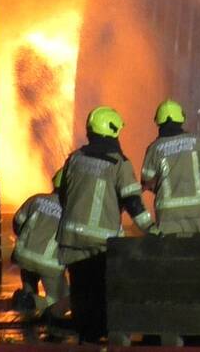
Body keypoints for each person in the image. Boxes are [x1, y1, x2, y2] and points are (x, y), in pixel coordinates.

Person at [56, 106, 155, 341]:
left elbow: (63, 195)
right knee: (102, 291)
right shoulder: (119, 163)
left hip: (71, 240)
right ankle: (100, 336)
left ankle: (85, 337)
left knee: (80, 290)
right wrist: (151, 229)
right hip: (101, 243)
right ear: (113, 132)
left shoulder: (75, 158)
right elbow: (133, 203)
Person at [141, 99, 200, 235]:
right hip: (196, 210)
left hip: (168, 214)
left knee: (170, 253)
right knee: (199, 252)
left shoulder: (154, 148)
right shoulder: (196, 142)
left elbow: (147, 181)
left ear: (158, 122)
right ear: (181, 120)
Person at [10, 175, 65, 314]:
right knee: (61, 300)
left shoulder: (36, 199)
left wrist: (25, 241)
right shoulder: (71, 210)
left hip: (23, 256)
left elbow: (17, 221)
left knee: (29, 290)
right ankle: (29, 302)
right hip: (49, 262)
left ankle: (27, 304)